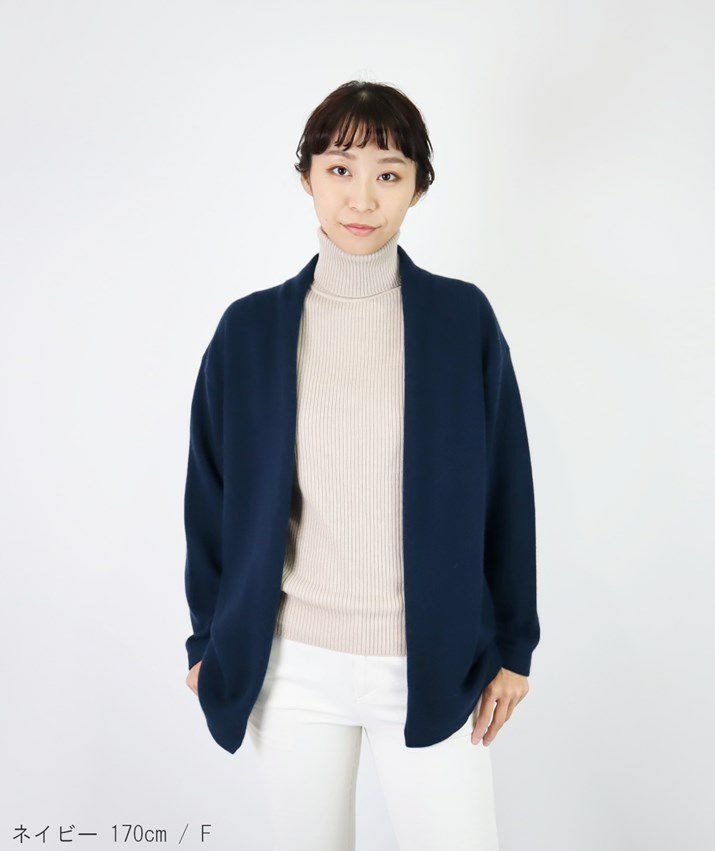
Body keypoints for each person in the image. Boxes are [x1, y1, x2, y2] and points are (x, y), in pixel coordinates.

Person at [183, 80, 540, 851]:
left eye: (389, 173)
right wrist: (207, 637)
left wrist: (515, 647)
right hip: (292, 666)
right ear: (306, 176)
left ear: (417, 188)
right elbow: (210, 495)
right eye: (340, 169)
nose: (362, 198)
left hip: (434, 660)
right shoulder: (249, 330)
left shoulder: (461, 320)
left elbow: (507, 489)